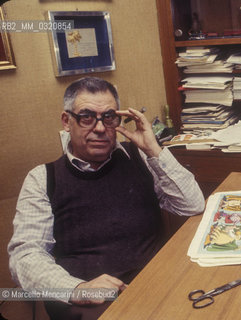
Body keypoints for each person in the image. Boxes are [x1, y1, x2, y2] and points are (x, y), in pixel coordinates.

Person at [8, 77, 205, 319]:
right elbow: (24, 257)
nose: (100, 128)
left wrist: (154, 149)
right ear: (66, 121)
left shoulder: (140, 157)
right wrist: (77, 289)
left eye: (109, 117)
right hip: (89, 302)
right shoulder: (43, 179)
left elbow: (192, 204)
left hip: (157, 285)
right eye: (86, 117)